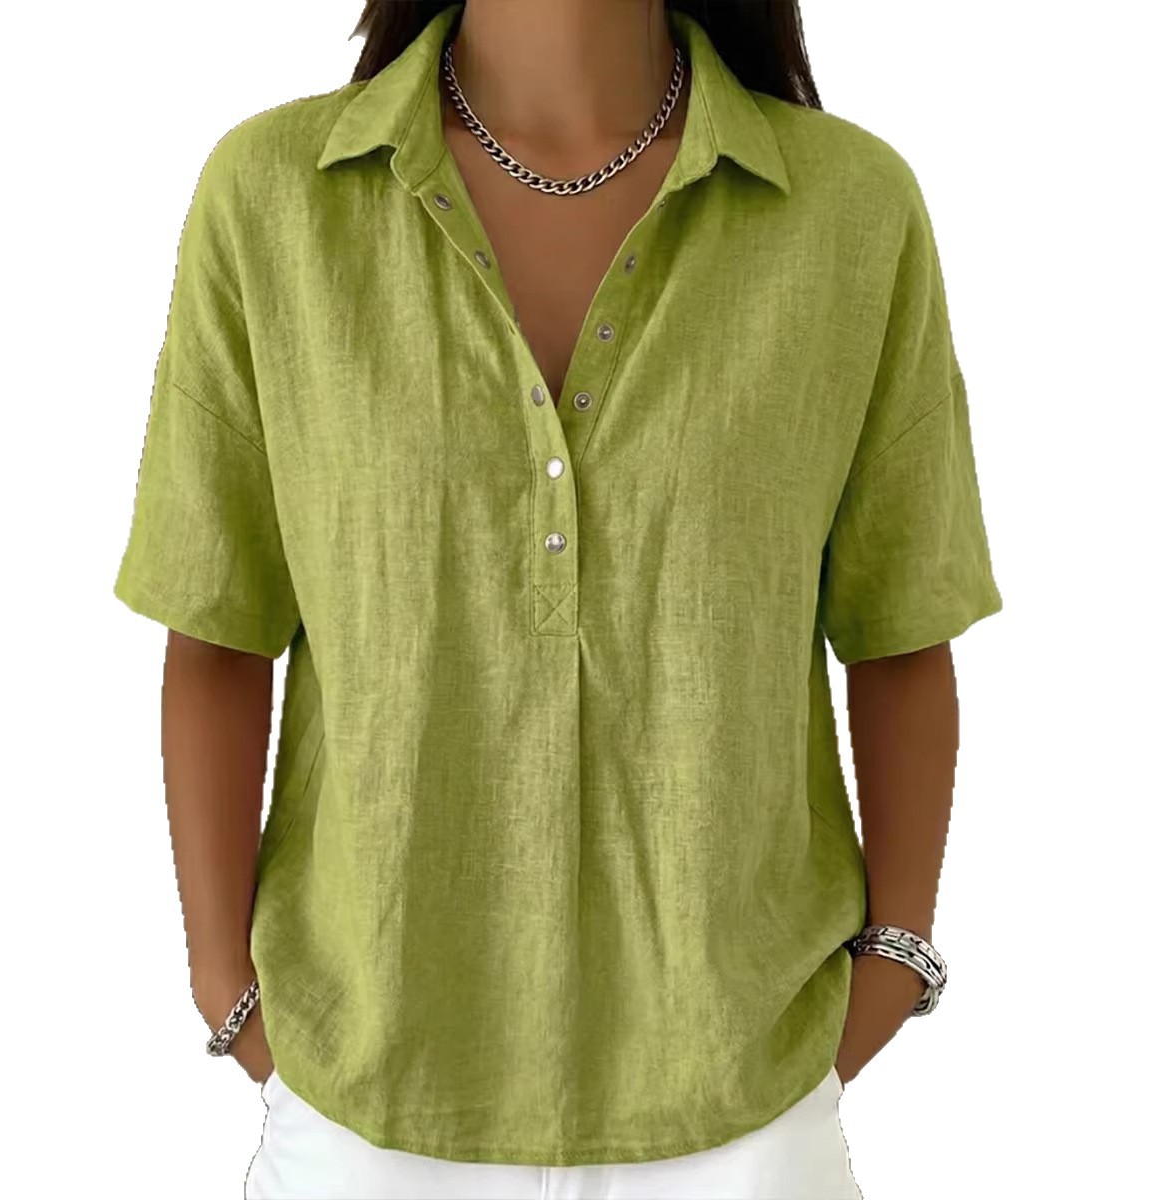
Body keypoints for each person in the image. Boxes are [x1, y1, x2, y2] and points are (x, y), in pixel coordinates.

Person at [112, 1, 1003, 1196]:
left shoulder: (850, 211)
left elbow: (900, 630)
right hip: (363, 1109)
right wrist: (229, 993)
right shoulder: (273, 199)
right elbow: (217, 628)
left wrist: (891, 968)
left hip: (746, 1111)